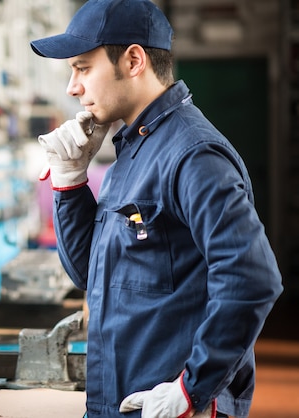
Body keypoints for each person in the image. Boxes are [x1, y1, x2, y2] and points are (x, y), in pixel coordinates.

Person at [30, 1, 284, 417]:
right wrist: (71, 181)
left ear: (133, 60)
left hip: (174, 406)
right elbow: (88, 274)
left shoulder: (192, 154)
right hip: (124, 399)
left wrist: (192, 389)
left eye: (82, 67)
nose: (72, 87)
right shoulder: (130, 152)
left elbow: (251, 277)